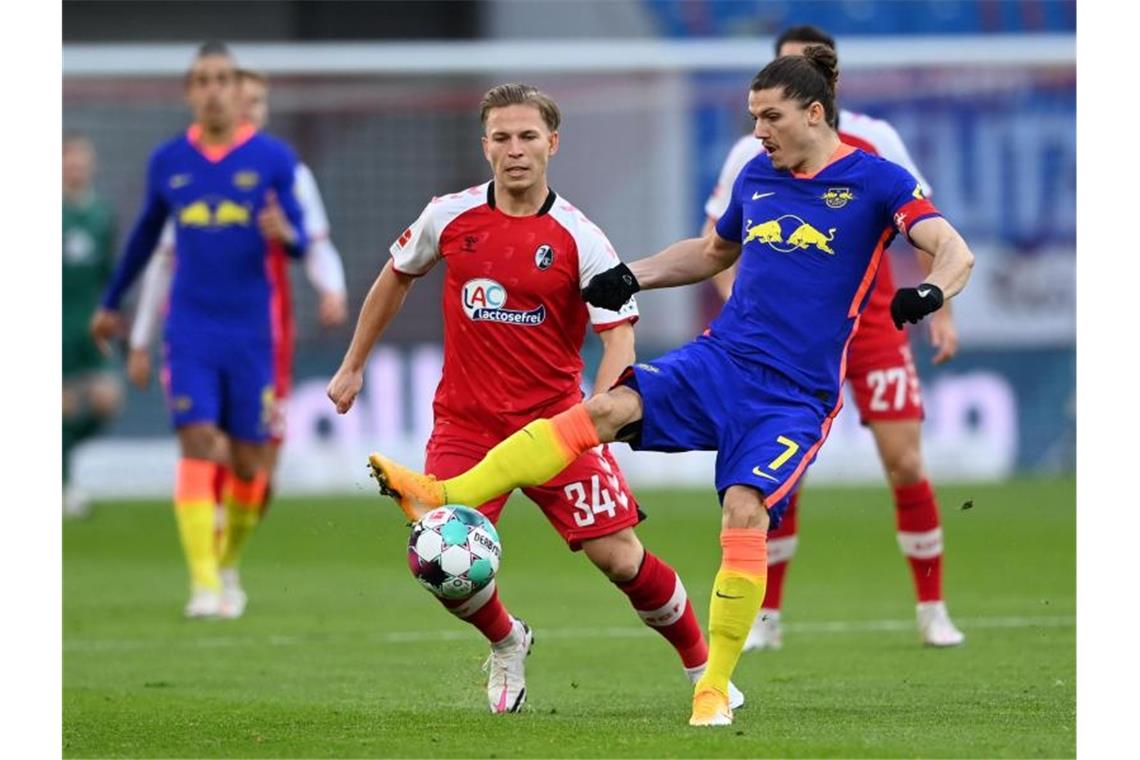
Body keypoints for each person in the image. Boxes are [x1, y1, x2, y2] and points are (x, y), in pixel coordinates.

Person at [366, 50, 975, 726]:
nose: (758, 131)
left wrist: (930, 289)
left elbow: (953, 249)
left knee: (744, 508)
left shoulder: (876, 179)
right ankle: (447, 494)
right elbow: (713, 252)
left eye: (769, 118)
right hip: (720, 362)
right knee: (604, 408)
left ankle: (712, 685)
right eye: (752, 118)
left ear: (813, 112)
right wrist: (635, 275)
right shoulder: (757, 174)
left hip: (793, 396)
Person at [327, 83, 743, 715]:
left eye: (527, 137)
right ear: (485, 144)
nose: (514, 150)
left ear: (553, 143)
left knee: (621, 559)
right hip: (466, 426)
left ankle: (703, 670)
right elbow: (395, 278)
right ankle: (506, 640)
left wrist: (598, 417)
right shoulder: (449, 216)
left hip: (556, 426)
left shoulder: (581, 238)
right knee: (441, 558)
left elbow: (619, 339)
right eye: (501, 137)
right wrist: (353, 365)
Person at [703, 25, 964, 650]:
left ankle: (933, 608)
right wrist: (744, 311)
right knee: (780, 474)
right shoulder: (751, 152)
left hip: (872, 325)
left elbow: (928, 225)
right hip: (788, 340)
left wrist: (943, 308)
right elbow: (717, 243)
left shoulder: (877, 143)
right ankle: (766, 616)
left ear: (825, 89)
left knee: (904, 462)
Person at [90, 42, 308, 619]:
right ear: (190, 91)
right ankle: (204, 583)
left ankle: (228, 560)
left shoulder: (272, 158)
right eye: (203, 80)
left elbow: (303, 239)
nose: (213, 89)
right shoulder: (168, 161)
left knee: (248, 463)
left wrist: (285, 231)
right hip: (189, 328)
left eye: (222, 79)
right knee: (195, 440)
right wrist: (112, 303)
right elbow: (144, 238)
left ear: (238, 92)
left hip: (251, 336)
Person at [126, 67, 349, 516]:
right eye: (241, 100)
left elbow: (315, 243)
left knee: (261, 470)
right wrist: (140, 338)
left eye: (257, 103)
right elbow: (163, 258)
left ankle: (226, 546)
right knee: (204, 437)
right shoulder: (187, 169)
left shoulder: (287, 173)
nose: (247, 110)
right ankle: (211, 557)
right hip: (197, 325)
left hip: (266, 332)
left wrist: (332, 290)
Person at [62, 133, 123, 518]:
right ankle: (65, 486)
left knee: (106, 401)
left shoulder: (102, 215)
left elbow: (109, 274)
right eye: (70, 159)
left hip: (90, 327)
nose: (77, 166)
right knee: (60, 408)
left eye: (83, 159)